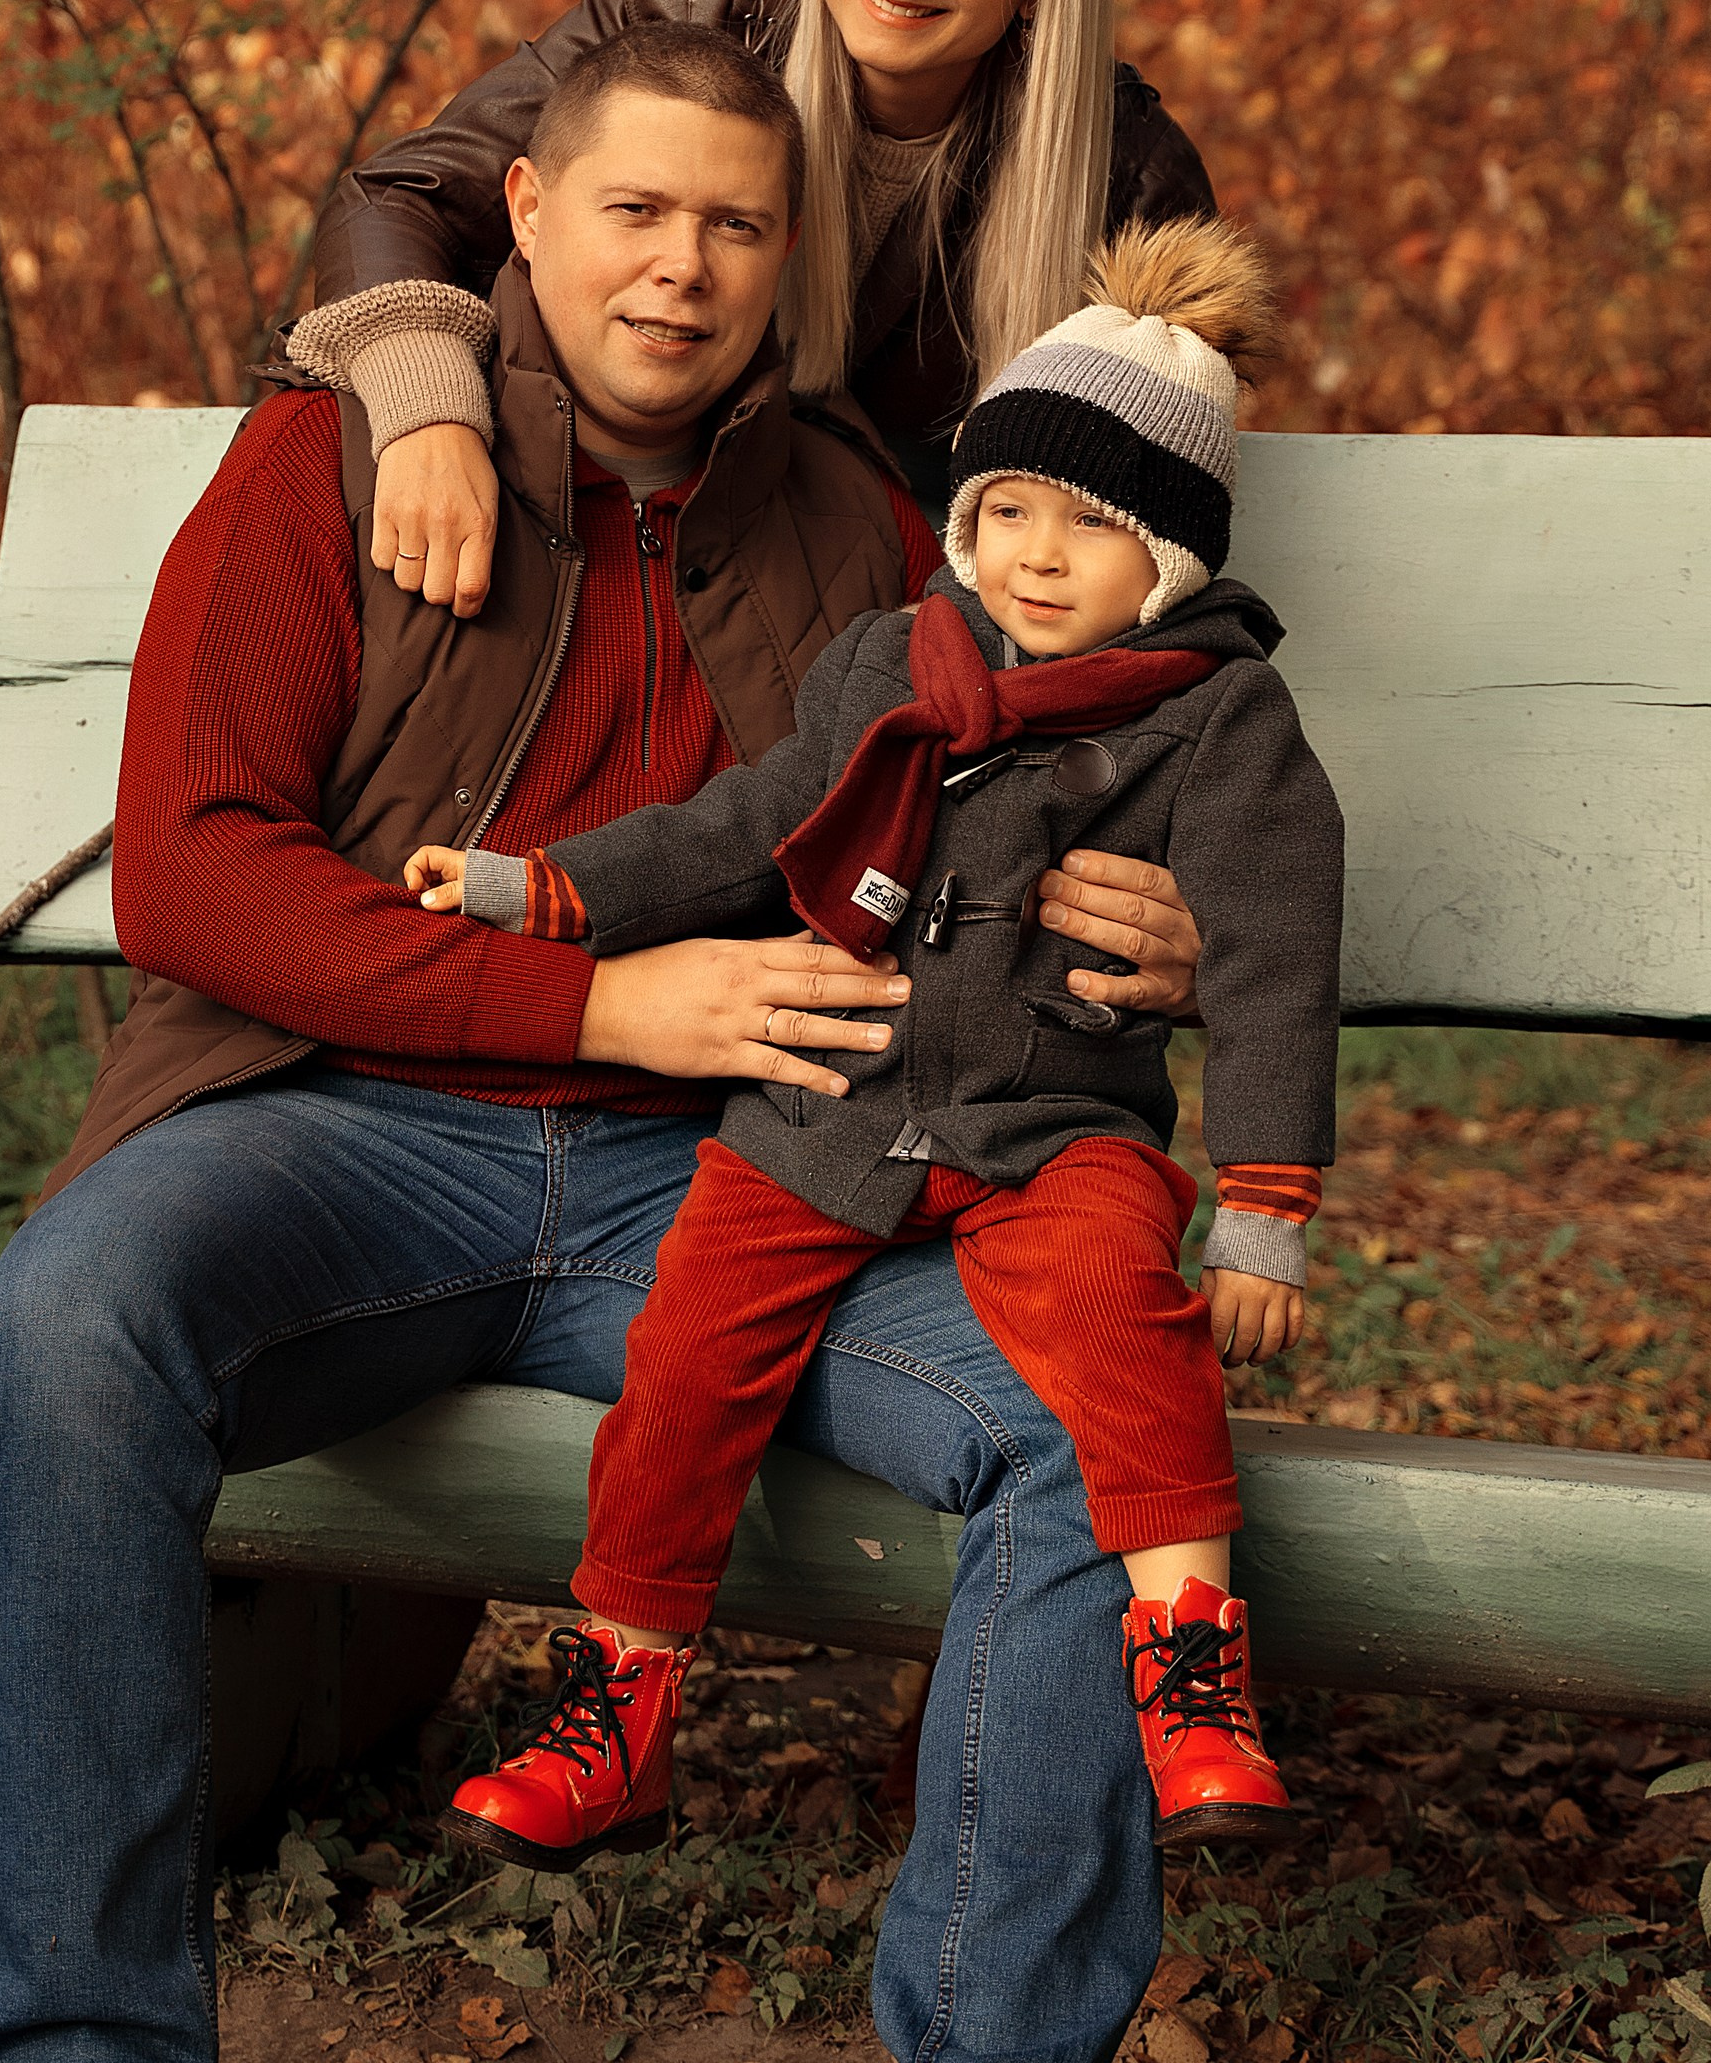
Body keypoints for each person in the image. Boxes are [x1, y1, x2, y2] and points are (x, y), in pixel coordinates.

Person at [0, 22, 1283, 2063]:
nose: (682, 265)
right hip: (336, 1131)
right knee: (69, 1323)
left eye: (737, 224)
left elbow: (1048, 790)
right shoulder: (334, 457)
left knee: (1084, 1416)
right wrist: (586, 992)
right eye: (634, 210)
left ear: (788, 261)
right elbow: (199, 870)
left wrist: (1157, 924)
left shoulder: (859, 517)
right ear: (527, 219)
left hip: (745, 1173)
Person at [410, 219, 1341, 1873]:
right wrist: (552, 885)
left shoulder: (1217, 718)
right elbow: (746, 823)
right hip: (824, 1113)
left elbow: (1273, 956)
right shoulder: (893, 664)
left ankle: (1193, 1679)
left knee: (1130, 1319)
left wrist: (1263, 1205)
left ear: (1170, 564)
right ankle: (621, 1705)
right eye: (1010, 511)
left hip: (1053, 1124)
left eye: (1095, 527)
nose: (1040, 556)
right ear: (966, 521)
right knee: (686, 1358)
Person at [301, 0, 1211, 621]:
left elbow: (1137, 524)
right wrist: (430, 412)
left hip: (892, 608)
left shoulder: (1124, 173)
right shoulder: (696, 4)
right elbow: (397, 199)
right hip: (579, 543)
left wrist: (958, 629)